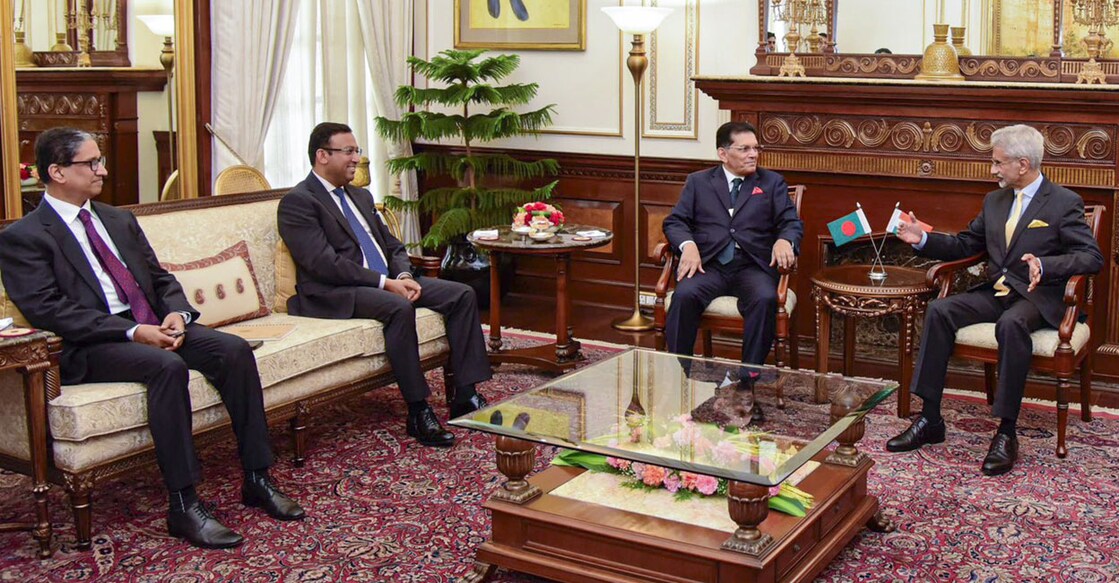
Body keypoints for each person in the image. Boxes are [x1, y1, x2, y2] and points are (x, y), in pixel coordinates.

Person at [0, 128, 305, 549]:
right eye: (91, 163)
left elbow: (160, 279)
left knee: (233, 350)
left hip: (150, 324)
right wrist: (132, 331)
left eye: (101, 160)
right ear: (57, 172)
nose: (102, 170)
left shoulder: (118, 219)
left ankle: (257, 478)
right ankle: (184, 505)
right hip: (90, 345)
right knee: (166, 366)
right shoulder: (24, 237)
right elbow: (49, 311)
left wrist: (177, 314)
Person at [888, 124, 1103, 476]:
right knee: (940, 310)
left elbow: (1091, 257)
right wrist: (923, 239)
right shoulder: (994, 200)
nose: (993, 170)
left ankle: (1006, 432)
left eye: (998, 162)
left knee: (1011, 323)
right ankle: (930, 418)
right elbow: (966, 245)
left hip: (1037, 297)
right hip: (997, 292)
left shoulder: (1064, 202)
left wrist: (1046, 265)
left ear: (1023, 164)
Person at [277, 122, 491, 448]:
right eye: (348, 151)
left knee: (461, 294)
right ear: (322, 155)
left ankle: (465, 395)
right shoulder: (299, 202)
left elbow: (393, 246)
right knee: (398, 306)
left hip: (388, 281)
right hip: (335, 292)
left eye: (357, 151)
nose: (356, 158)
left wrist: (403, 276)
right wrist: (384, 283)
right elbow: (322, 264)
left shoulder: (360, 196)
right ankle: (418, 411)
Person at [662, 121, 803, 369]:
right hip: (709, 265)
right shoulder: (698, 182)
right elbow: (675, 221)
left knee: (765, 298)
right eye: (744, 149)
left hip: (753, 266)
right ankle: (677, 374)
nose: (753, 154)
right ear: (723, 153)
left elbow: (791, 222)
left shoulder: (771, 183)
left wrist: (784, 239)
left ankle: (749, 378)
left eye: (756, 148)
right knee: (683, 296)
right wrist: (688, 246)